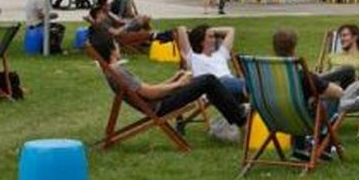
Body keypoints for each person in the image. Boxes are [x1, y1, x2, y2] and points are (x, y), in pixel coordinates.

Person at [89, 25, 246, 143]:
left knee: (209, 81)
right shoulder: (119, 71)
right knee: (209, 80)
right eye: (115, 44)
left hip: (158, 102)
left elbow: (147, 89)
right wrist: (179, 85)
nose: (118, 46)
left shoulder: (113, 71)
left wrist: (174, 79)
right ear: (111, 49)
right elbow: (150, 93)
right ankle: (241, 118)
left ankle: (237, 115)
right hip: (161, 106)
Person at [177, 24, 244, 99]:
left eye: (214, 37)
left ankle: (243, 107)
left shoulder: (221, 53)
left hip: (230, 83)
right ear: (201, 41)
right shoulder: (193, 56)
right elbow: (181, 29)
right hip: (213, 85)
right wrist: (196, 32)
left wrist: (211, 30)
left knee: (251, 87)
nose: (214, 40)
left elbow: (231, 30)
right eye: (210, 37)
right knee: (251, 87)